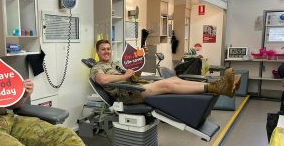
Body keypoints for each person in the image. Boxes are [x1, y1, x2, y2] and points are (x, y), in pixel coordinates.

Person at [90, 39, 241, 105]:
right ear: (97, 52)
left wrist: (139, 60)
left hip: (135, 86)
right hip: (126, 94)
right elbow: (102, 80)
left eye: (108, 49)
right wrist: (124, 76)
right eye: (103, 49)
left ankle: (217, 84)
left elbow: (134, 74)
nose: (107, 52)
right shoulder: (97, 68)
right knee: (166, 86)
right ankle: (218, 88)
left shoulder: (117, 63)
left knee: (174, 79)